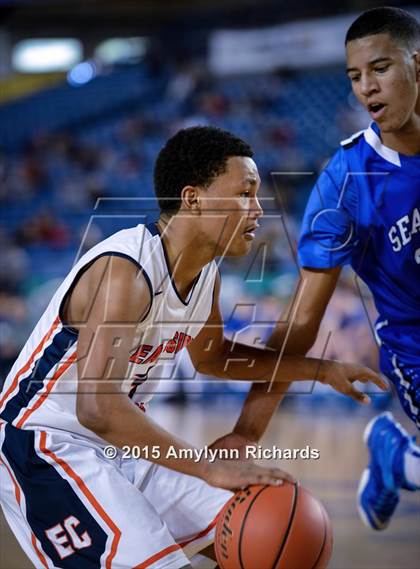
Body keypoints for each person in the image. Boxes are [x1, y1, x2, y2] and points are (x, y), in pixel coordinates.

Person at [0, 126, 384, 569]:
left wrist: (319, 369)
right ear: (193, 198)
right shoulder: (124, 270)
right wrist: (206, 466)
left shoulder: (206, 276)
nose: (259, 210)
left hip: (124, 443)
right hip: (46, 443)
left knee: (278, 532)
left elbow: (214, 358)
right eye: (245, 193)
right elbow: (97, 407)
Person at [222, 6, 420, 532]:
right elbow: (302, 324)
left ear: (418, 66)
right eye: (355, 77)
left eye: (380, 69)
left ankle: (402, 461)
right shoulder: (344, 183)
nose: (366, 89)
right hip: (413, 345)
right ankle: (395, 453)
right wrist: (246, 434)